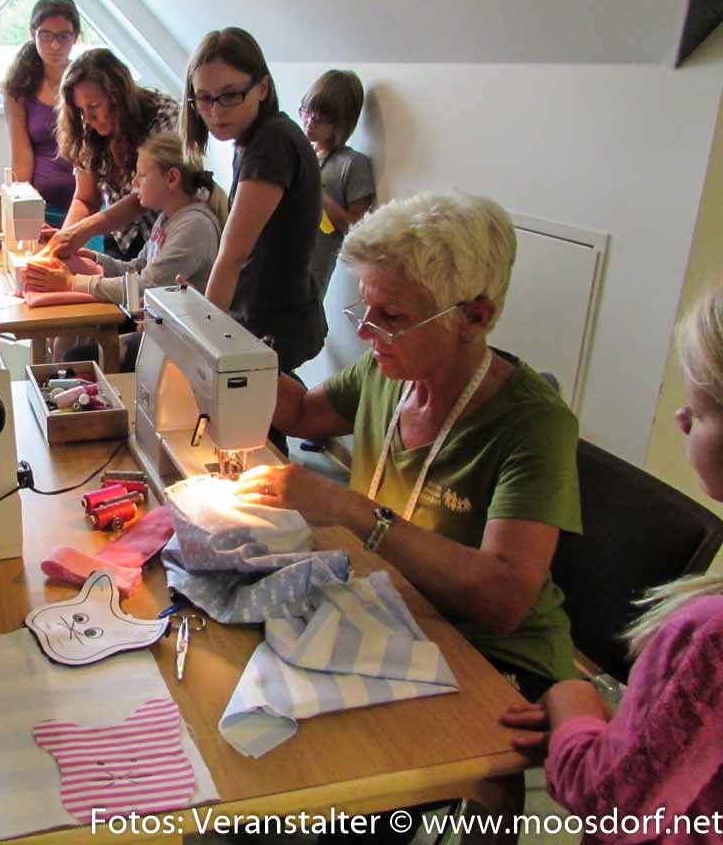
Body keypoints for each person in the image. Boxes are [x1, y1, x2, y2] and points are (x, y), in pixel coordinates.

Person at [234, 192, 581, 701]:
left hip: (494, 659)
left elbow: (503, 600)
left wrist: (351, 511)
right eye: (366, 306)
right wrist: (227, 352)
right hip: (396, 609)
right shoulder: (390, 372)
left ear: (474, 318)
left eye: (392, 315)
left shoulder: (535, 425)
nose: (364, 329)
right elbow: (302, 413)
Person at [501, 280, 723, 839]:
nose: (681, 418)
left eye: (699, 410)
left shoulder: (709, 637)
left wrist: (571, 701)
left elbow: (612, 803)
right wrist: (622, 729)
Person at [183, 27, 326, 374]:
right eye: (204, 98)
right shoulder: (252, 138)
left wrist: (201, 341)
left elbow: (233, 255)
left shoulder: (271, 143)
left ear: (262, 87)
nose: (215, 111)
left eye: (229, 95)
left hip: (274, 322)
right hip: (266, 312)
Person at [24, 131, 225, 370]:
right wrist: (96, 260)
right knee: (69, 348)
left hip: (183, 344)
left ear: (171, 178)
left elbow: (145, 286)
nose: (134, 183)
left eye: (142, 175)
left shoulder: (194, 227)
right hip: (163, 332)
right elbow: (137, 268)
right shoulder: (168, 218)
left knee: (74, 359)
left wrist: (71, 283)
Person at [41, 48, 181, 260]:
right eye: (80, 110)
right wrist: (62, 241)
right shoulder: (88, 127)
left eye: (94, 106)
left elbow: (143, 198)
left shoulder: (165, 115)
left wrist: (78, 232)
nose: (87, 118)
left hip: (168, 235)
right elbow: (86, 198)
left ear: (118, 98)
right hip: (121, 239)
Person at [0, 0, 81, 229]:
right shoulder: (18, 87)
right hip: (41, 208)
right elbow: (21, 157)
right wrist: (18, 209)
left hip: (85, 208)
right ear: (33, 33)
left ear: (75, 37)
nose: (55, 45)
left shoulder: (87, 80)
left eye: (63, 36)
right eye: (46, 35)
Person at [299, 69, 375, 301]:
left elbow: (358, 232)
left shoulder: (352, 164)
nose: (309, 122)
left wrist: (317, 192)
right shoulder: (301, 152)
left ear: (341, 123)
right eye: (306, 111)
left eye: (320, 118)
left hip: (307, 281)